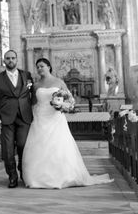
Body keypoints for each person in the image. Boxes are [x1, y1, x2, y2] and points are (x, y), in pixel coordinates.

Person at [22, 57, 113, 189]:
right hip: (40, 118)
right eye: (38, 67)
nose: (39, 69)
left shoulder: (59, 82)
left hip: (55, 118)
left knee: (57, 146)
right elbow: (32, 103)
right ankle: (36, 178)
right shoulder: (36, 85)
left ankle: (62, 176)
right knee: (39, 146)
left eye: (42, 66)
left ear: (49, 67)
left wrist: (62, 105)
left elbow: (70, 100)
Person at [0, 49, 33, 188]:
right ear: (4, 61)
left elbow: (33, 95)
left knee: (23, 146)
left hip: (24, 117)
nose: (10, 60)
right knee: (8, 150)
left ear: (16, 60)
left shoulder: (26, 75)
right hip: (6, 118)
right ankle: (12, 176)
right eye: (7, 58)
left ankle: (23, 172)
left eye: (13, 58)